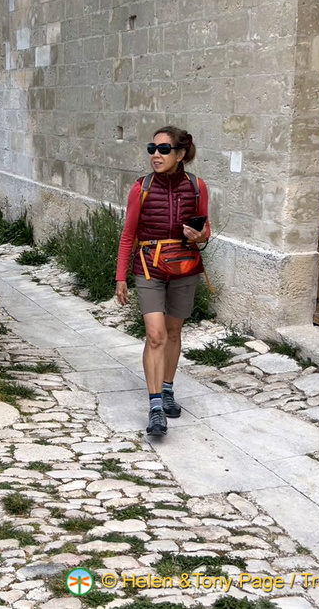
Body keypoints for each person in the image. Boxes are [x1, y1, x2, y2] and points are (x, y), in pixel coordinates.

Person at [115, 126, 211, 437]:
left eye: (164, 149)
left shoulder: (197, 187)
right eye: (152, 149)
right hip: (148, 268)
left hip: (185, 266)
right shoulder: (140, 188)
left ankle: (168, 389)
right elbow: (128, 234)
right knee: (155, 335)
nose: (156, 155)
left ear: (180, 154)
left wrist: (200, 234)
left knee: (173, 332)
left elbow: (205, 228)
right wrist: (120, 278)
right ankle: (155, 405)